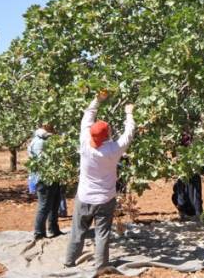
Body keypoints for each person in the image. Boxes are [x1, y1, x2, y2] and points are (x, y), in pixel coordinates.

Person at [65, 91, 135, 271]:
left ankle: (69, 261)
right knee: (102, 233)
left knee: (77, 231)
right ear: (107, 134)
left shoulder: (85, 142)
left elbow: (87, 117)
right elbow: (129, 134)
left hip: (84, 197)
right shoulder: (113, 150)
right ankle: (101, 265)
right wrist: (129, 113)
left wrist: (97, 99)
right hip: (105, 199)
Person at [28, 124, 63, 240]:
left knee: (55, 203)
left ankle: (54, 229)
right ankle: (39, 233)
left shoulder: (45, 139)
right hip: (44, 178)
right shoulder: (40, 142)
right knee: (44, 205)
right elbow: (42, 161)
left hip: (53, 177)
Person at [171, 131, 204, 222]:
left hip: (191, 171)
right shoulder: (177, 140)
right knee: (181, 194)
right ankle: (187, 214)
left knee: (193, 195)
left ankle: (196, 215)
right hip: (183, 172)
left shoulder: (194, 140)